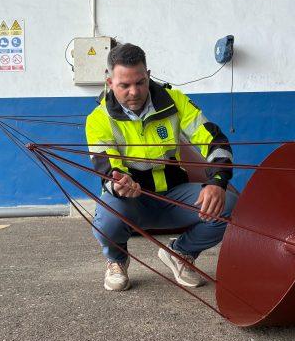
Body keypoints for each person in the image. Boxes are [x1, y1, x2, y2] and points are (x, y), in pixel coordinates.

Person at [86, 43, 238, 291]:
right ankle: (116, 260)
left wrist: (217, 182)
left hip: (174, 196)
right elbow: (106, 167)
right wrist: (120, 184)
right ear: (110, 81)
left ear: (148, 75)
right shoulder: (98, 119)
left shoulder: (174, 101)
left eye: (140, 82)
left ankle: (180, 254)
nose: (134, 92)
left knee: (229, 206)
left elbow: (214, 140)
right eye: (124, 85)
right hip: (132, 201)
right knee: (107, 216)